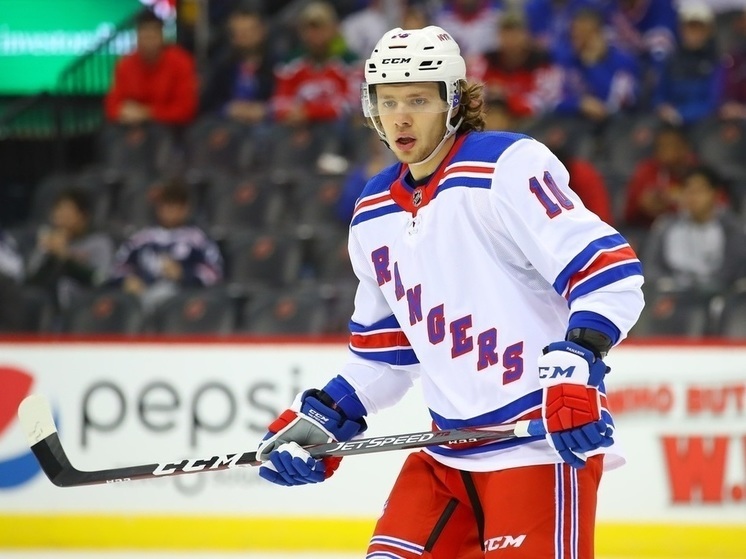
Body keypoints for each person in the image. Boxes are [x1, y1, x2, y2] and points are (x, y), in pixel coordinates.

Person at [255, 26, 644, 558]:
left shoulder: (505, 166)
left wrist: (580, 357)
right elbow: (386, 357)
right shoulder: (372, 211)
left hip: (537, 449)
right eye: (388, 101)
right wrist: (326, 413)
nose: (400, 117)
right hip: (444, 458)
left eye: (417, 99)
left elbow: (608, 272)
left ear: (454, 101)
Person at [106, 180, 223, 313]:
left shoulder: (197, 238)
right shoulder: (141, 238)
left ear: (185, 208)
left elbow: (215, 273)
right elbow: (116, 268)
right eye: (165, 204)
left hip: (181, 301)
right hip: (142, 297)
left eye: (174, 204)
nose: (169, 210)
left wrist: (184, 274)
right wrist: (126, 280)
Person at [642, 166, 746, 293]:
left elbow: (733, 273)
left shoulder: (732, 229)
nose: (693, 197)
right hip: (672, 293)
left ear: (715, 194)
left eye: (699, 191)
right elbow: (651, 266)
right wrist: (666, 284)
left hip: (716, 294)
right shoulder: (666, 226)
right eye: (688, 190)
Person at [104, 9, 198, 127]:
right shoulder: (125, 64)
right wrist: (123, 112)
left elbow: (185, 109)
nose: (148, 42)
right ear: (137, 37)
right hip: (130, 125)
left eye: (152, 36)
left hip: (169, 127)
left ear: (162, 37)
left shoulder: (181, 62)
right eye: (144, 36)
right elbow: (112, 107)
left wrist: (147, 113)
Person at [26, 187, 114, 312]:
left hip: (84, 310)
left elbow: (100, 280)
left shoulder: (99, 243)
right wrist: (47, 253)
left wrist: (65, 257)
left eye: (66, 211)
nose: (60, 216)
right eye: (57, 210)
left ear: (83, 216)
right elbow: (30, 282)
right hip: (49, 309)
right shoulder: (48, 243)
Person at [654, 1, 723, 127]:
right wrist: (662, 108)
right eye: (690, 27)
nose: (694, 33)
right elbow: (660, 94)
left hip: (704, 125)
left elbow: (713, 102)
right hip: (670, 122)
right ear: (681, 29)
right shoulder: (671, 60)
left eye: (699, 28)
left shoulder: (716, 61)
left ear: (709, 31)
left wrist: (682, 115)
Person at [622, 124, 698, 227]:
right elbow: (628, 214)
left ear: (685, 147)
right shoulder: (646, 170)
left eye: (672, 145)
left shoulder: (698, 171)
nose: (667, 151)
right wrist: (642, 205)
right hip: (649, 230)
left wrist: (680, 201)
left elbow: (716, 207)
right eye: (661, 146)